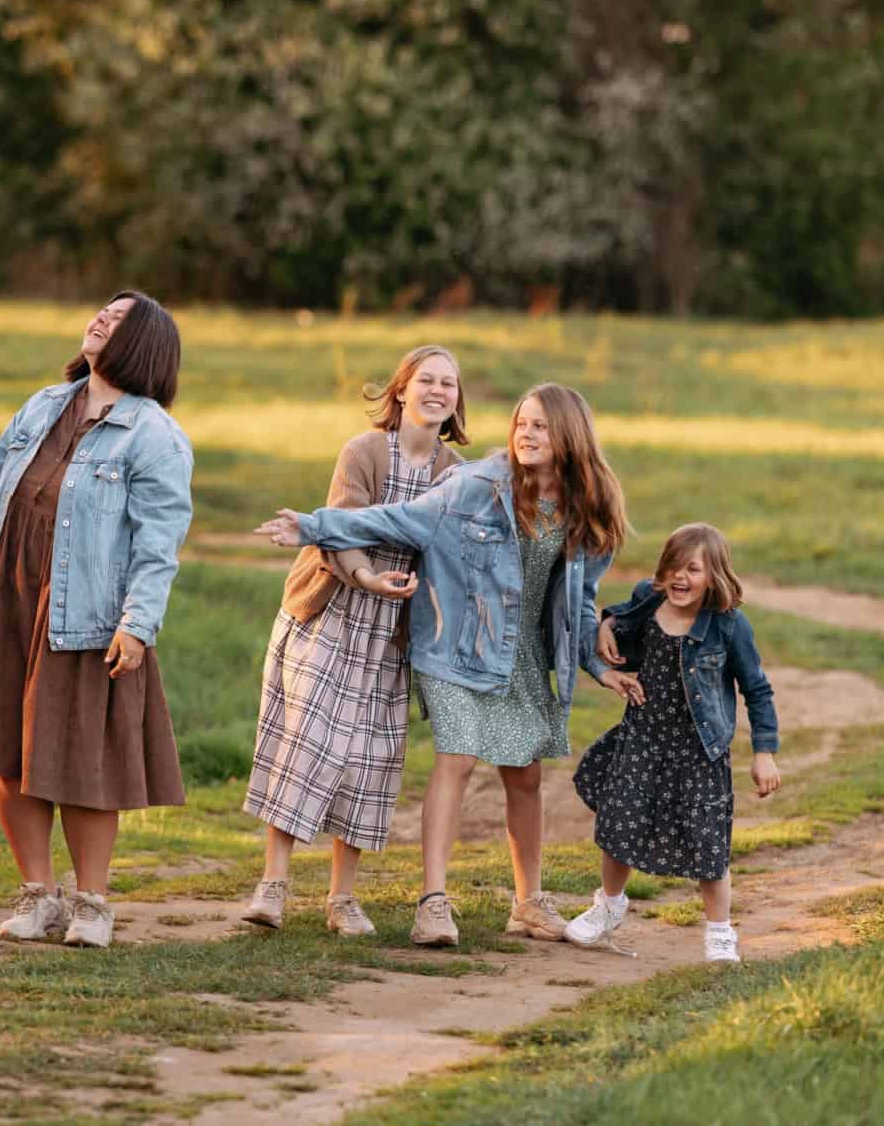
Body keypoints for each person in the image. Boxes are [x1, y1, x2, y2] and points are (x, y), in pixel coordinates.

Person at [257, 382, 626, 948]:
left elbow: (576, 601)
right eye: (521, 423)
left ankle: (528, 903)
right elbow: (397, 519)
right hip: (458, 644)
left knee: (524, 777)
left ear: (570, 436)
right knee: (456, 759)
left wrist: (599, 668)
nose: (526, 435)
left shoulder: (587, 506)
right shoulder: (477, 485)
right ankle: (433, 902)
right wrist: (313, 527)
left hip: (524, 654)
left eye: (540, 427)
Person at [0, 292, 193, 949]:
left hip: (86, 611)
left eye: (119, 318)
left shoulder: (154, 434)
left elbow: (158, 539)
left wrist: (138, 623)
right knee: (8, 748)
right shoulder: (40, 407)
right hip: (9, 599)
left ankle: (92, 903)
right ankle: (38, 894)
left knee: (83, 757)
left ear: (145, 344)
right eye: (101, 311)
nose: (101, 319)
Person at [240, 346, 468, 935]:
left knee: (369, 759)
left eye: (448, 383)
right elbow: (338, 527)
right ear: (400, 390)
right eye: (426, 380)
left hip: (390, 636)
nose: (437, 390)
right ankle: (274, 883)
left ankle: (342, 899)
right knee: (307, 742)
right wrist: (368, 577)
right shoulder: (362, 452)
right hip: (332, 613)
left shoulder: (454, 474)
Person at [567, 523, 781, 963]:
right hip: (642, 740)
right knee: (618, 825)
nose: (681, 578)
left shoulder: (727, 625)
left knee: (708, 841)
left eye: (694, 570)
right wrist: (607, 622)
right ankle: (609, 905)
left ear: (715, 576)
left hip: (699, 751)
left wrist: (764, 753)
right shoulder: (650, 598)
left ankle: (720, 930)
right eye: (673, 568)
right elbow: (620, 615)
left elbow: (756, 689)